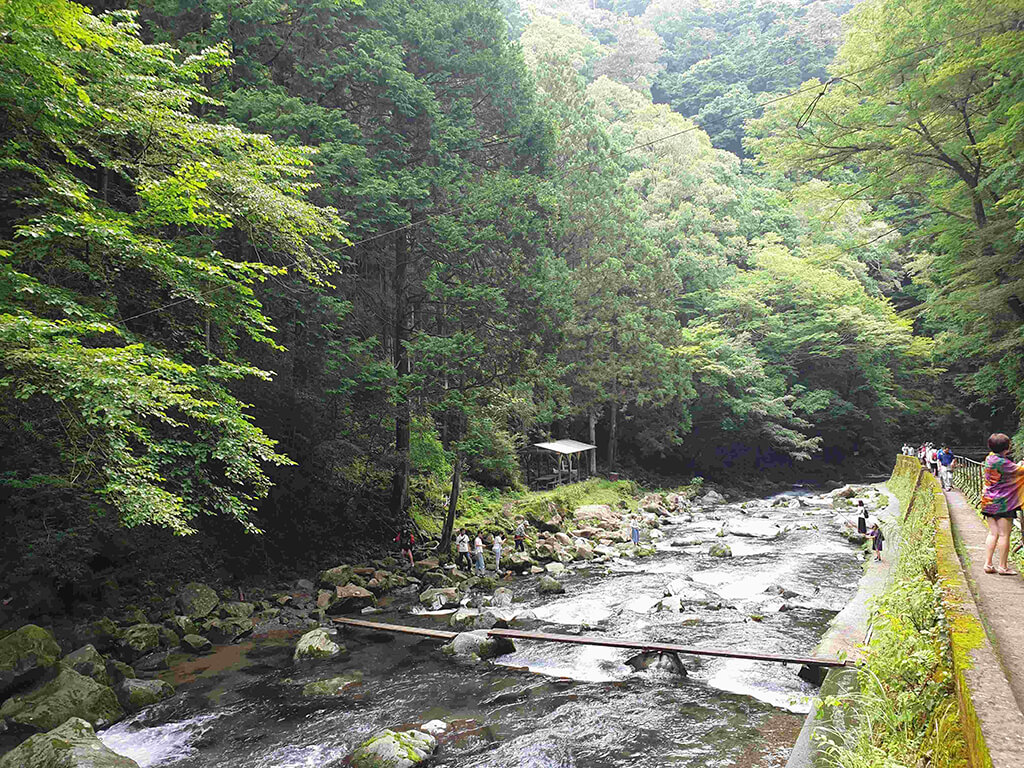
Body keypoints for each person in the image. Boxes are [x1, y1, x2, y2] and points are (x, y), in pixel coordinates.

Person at [980, 433, 1024, 575]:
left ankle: (988, 564)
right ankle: (1003, 567)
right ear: (1006, 447)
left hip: (988, 501)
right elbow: (1019, 471)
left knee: (993, 533)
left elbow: (1007, 471)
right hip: (1004, 503)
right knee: (1004, 535)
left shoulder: (990, 458)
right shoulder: (1003, 463)